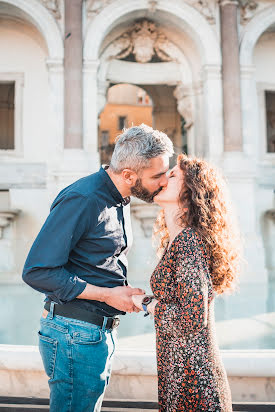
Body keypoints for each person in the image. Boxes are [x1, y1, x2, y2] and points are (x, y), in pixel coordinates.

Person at [22, 124, 174, 412]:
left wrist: (119, 293)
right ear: (129, 175)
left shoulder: (119, 197)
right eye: (157, 175)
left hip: (90, 333)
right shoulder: (84, 198)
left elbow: (97, 263)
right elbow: (37, 271)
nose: (163, 181)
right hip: (73, 335)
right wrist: (106, 295)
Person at [133, 154, 241, 412]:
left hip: (195, 381)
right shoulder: (180, 240)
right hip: (183, 376)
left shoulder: (188, 242)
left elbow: (191, 318)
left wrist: (147, 303)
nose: (162, 180)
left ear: (189, 192)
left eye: (172, 176)